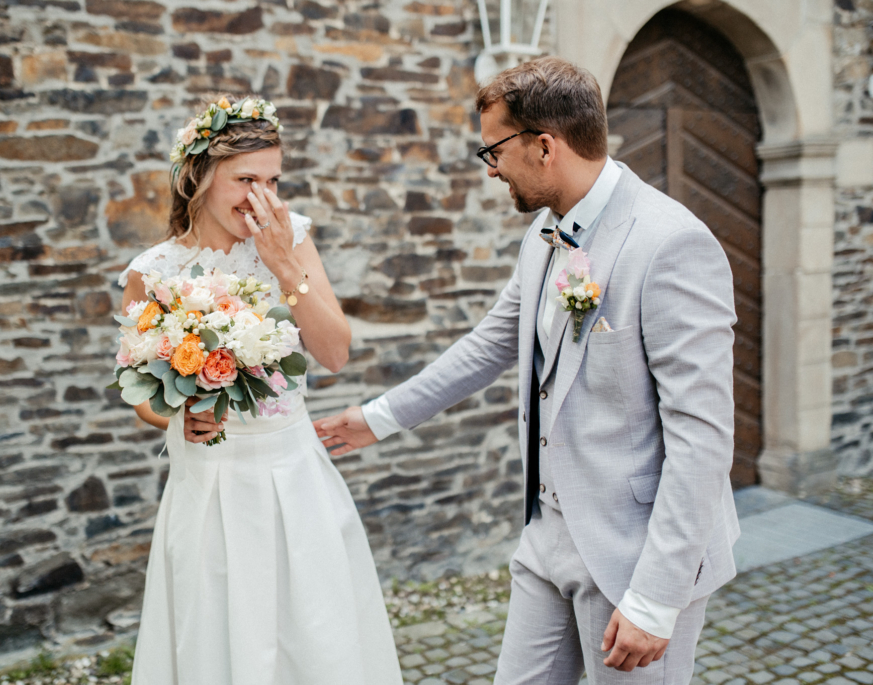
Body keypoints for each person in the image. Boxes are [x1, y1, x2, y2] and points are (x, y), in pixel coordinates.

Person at [313, 57, 740, 685]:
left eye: (494, 151)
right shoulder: (545, 232)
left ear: (545, 146)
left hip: (635, 550)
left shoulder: (671, 244)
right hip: (546, 532)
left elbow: (702, 437)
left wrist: (655, 596)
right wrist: (378, 418)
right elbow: (490, 344)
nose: (490, 170)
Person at [119, 95, 402, 685]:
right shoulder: (153, 271)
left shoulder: (288, 239)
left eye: (272, 180)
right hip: (209, 481)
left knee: (315, 640)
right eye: (245, 179)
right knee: (215, 639)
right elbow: (141, 392)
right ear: (197, 177)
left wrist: (281, 264)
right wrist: (177, 418)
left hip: (292, 469)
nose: (260, 197)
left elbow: (335, 352)